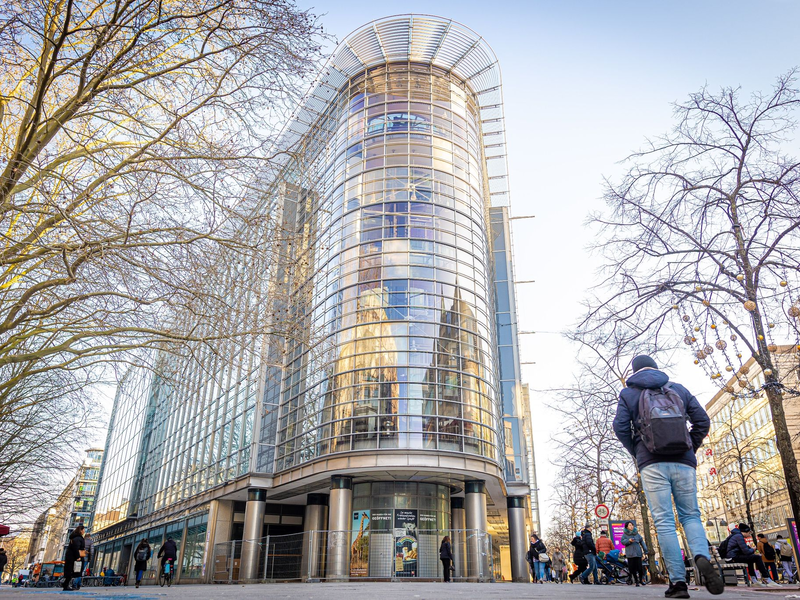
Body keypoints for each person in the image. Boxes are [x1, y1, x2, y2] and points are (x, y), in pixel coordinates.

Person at [613, 354, 724, 599]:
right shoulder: (678, 389)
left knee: (664, 522)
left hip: (652, 463)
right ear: (656, 368)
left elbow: (620, 427)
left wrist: (639, 451)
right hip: (683, 462)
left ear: (634, 371)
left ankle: (678, 584)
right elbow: (702, 421)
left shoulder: (629, 394)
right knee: (691, 515)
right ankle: (701, 556)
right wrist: (689, 447)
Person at [621, 521, 648, 587]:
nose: (631, 526)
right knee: (632, 569)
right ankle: (636, 581)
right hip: (630, 554)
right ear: (627, 527)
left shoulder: (637, 534)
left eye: (632, 525)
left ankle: (641, 580)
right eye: (630, 525)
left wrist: (645, 550)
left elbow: (642, 542)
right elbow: (622, 542)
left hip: (638, 553)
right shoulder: (624, 535)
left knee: (640, 568)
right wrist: (628, 541)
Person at [62, 524, 86, 591]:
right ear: (81, 530)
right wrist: (78, 556)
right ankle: (66, 585)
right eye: (83, 530)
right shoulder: (78, 538)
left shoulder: (74, 537)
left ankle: (66, 584)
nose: (84, 531)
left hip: (71, 556)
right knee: (72, 571)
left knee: (72, 571)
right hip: (73, 557)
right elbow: (76, 548)